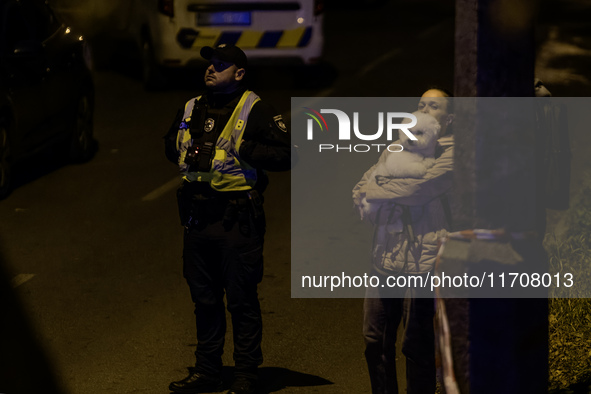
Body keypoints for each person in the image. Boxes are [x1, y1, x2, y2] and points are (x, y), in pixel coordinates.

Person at [165, 44, 292, 394]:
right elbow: (168, 145)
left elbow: (288, 154)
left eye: (220, 65)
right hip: (198, 219)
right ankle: (207, 370)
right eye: (209, 64)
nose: (211, 69)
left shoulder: (256, 109)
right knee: (203, 299)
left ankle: (245, 375)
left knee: (240, 299)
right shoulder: (192, 107)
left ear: (238, 73)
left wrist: (249, 151)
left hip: (237, 222)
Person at [352, 88, 454, 393]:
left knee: (417, 346)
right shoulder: (395, 147)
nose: (424, 108)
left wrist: (381, 187)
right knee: (374, 341)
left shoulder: (452, 153)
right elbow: (360, 189)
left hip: (423, 265)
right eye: (421, 104)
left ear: (448, 120)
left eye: (433, 106)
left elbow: (419, 191)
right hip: (384, 257)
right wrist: (378, 192)